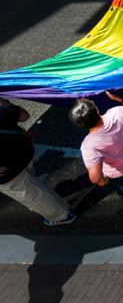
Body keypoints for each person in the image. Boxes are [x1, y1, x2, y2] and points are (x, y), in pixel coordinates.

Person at [0, 97, 75, 226]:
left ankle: (61, 215)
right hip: (23, 150)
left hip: (7, 171)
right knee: (28, 177)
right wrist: (3, 101)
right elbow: (24, 115)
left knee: (31, 195)